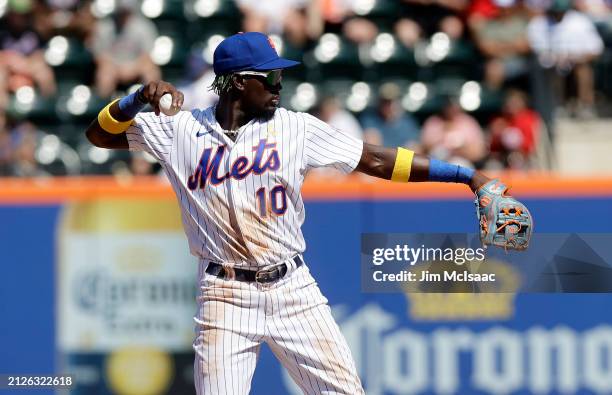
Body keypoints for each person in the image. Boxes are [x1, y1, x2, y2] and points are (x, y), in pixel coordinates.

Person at [85, 32, 527, 394]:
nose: (280, 85)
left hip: (293, 288)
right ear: (239, 82)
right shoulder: (178, 131)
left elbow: (376, 160)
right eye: (271, 77)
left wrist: (466, 176)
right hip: (223, 295)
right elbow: (99, 137)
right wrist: (135, 98)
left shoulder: (296, 128)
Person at [91, 0, 160, 98]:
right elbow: (100, 57)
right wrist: (117, 69)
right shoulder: (104, 26)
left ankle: (152, 104)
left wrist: (131, 69)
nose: (124, 15)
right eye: (122, 11)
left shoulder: (144, 26)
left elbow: (147, 56)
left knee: (151, 70)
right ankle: (103, 107)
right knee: (104, 74)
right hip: (112, 66)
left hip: (136, 65)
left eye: (126, 12)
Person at [420, 96, 487, 166]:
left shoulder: (468, 122)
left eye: (453, 105)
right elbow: (424, 148)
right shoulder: (433, 122)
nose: (450, 109)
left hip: (462, 162)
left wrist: (460, 150)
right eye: (448, 106)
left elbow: (479, 152)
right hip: (436, 163)